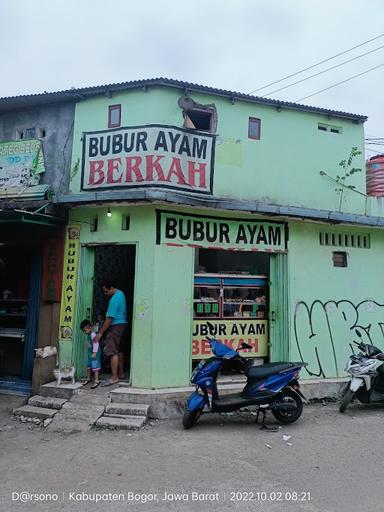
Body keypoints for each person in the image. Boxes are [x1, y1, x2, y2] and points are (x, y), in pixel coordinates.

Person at [93, 280, 128, 386]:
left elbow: (109, 318)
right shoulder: (121, 294)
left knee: (112, 351)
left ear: (112, 288)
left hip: (116, 326)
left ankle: (114, 377)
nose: (105, 294)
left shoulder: (114, 299)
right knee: (120, 349)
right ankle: (121, 373)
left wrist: (100, 333)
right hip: (123, 324)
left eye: (106, 291)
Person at [80, 319, 101, 389]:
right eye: (83, 331)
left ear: (90, 328)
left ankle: (96, 380)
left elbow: (96, 344)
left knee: (95, 367)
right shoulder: (89, 335)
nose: (84, 332)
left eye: (85, 330)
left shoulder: (93, 334)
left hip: (94, 354)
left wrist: (95, 353)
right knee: (88, 367)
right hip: (90, 353)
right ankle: (88, 378)